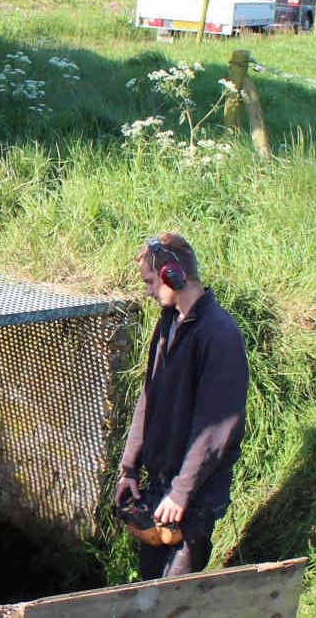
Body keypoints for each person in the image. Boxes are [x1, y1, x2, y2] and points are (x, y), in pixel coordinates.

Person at [114, 231, 250, 580]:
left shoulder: (219, 334)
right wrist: (129, 469)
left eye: (149, 281)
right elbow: (149, 396)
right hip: (161, 488)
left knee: (174, 601)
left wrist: (181, 492)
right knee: (147, 591)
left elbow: (217, 429)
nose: (146, 290)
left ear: (172, 275)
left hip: (194, 497)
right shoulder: (167, 324)